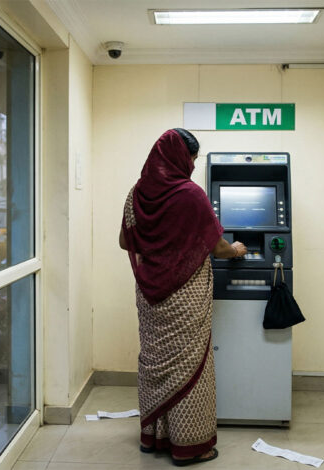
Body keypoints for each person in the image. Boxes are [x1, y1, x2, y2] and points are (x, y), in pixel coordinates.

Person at [119, 128, 247, 466]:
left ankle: (154, 438)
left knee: (155, 361)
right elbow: (218, 248)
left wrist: (161, 250)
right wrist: (235, 250)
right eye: (191, 158)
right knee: (191, 367)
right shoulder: (191, 194)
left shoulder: (136, 195)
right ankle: (190, 445)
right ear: (180, 157)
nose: (191, 165)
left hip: (150, 295)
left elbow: (125, 241)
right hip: (185, 295)